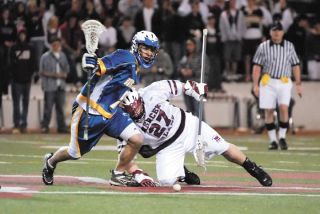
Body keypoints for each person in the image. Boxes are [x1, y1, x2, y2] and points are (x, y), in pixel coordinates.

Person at [41, 30, 160, 187]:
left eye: (152, 50)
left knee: (136, 139)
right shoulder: (126, 57)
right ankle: (50, 162)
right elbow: (101, 65)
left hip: (111, 113)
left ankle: (117, 174)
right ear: (136, 46)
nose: (149, 53)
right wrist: (92, 62)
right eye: (146, 48)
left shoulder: (135, 67)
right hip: (89, 111)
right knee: (74, 153)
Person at [116, 80, 272, 187]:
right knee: (166, 181)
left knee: (222, 147)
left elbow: (182, 87)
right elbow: (126, 158)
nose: (137, 113)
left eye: (137, 107)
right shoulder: (123, 123)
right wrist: (138, 174)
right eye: (132, 112)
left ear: (140, 98)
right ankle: (183, 172)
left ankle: (253, 168)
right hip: (166, 147)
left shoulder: (152, 91)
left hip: (188, 126)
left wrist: (196, 88)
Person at [252, 22, 302, 150]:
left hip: (284, 81)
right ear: (270, 32)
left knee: (284, 108)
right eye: (274, 30)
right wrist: (255, 85)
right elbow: (257, 66)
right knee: (268, 110)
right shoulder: (263, 47)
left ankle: (282, 137)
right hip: (268, 81)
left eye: (279, 30)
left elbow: (295, 65)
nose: (276, 32)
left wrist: (298, 83)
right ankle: (273, 140)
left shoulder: (289, 46)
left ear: (283, 32)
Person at [39, 37, 69, 134]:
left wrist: (64, 74)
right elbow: (42, 71)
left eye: (58, 44)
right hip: (49, 85)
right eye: (54, 45)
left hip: (61, 85)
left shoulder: (63, 56)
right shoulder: (45, 56)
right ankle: (45, 126)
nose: (56, 46)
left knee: (60, 108)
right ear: (51, 46)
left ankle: (62, 127)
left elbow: (67, 69)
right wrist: (54, 75)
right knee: (48, 107)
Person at [10, 29, 35, 134]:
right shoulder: (14, 48)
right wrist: (13, 75)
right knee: (16, 103)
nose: (22, 36)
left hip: (27, 80)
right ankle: (16, 124)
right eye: (21, 34)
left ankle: (23, 124)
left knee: (25, 103)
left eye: (24, 34)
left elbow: (33, 63)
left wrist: (31, 75)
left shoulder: (30, 48)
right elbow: (11, 63)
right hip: (16, 80)